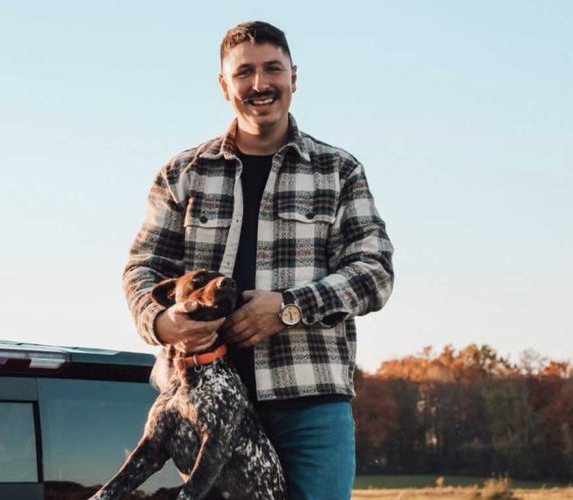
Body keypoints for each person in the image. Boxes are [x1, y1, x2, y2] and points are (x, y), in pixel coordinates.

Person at [123, 21, 394, 500]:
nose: (260, 84)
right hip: (196, 403)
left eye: (273, 69)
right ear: (224, 85)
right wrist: (163, 323)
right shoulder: (182, 173)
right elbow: (142, 268)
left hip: (309, 405)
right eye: (244, 72)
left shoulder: (339, 170)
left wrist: (288, 308)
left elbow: (374, 272)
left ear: (294, 77)